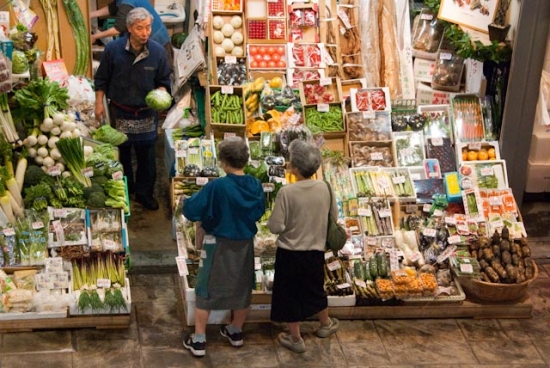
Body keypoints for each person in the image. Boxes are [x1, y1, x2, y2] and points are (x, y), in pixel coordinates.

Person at [181, 137, 265, 357]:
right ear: (245, 160)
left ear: (224, 162)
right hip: (245, 244)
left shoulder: (217, 186)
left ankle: (199, 339)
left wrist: (185, 202)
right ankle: (235, 331)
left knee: (206, 288)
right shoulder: (255, 185)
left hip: (218, 244)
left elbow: (192, 210)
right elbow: (259, 212)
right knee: (242, 287)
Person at [94, 7, 171, 210]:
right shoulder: (113, 50)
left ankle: (145, 194)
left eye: (148, 27)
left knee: (147, 157)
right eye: (139, 28)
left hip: (146, 114)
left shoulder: (157, 52)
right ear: (129, 28)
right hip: (120, 112)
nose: (145, 33)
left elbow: (164, 80)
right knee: (122, 154)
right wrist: (98, 103)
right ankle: (126, 191)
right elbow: (101, 79)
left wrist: (161, 94)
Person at [267, 139, 339, 354]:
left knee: (289, 295)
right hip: (315, 251)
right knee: (315, 289)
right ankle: (325, 325)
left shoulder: (287, 193)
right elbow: (333, 218)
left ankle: (296, 338)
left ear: (295, 167)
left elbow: (275, 226)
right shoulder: (326, 187)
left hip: (290, 253)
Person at [89, 0, 174, 70]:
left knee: (162, 74)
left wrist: (95, 37)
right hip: (154, 38)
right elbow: (113, 8)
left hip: (157, 40)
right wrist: (92, 14)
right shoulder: (123, 2)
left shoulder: (127, 2)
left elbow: (118, 28)